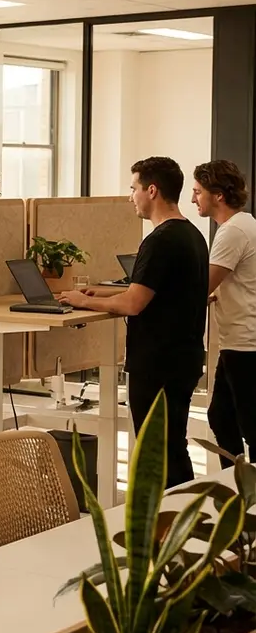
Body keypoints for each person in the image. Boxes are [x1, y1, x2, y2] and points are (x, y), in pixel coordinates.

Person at [57, 157, 209, 487]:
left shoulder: (159, 241)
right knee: (172, 446)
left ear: (151, 190)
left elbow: (134, 303)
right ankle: (184, 520)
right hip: (183, 358)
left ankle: (163, 523)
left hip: (158, 363)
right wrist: (98, 290)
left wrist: (84, 300)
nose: (131, 197)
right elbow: (155, 290)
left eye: (133, 188)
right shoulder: (191, 235)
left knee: (156, 451)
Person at [193, 160, 256, 466]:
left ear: (217, 195)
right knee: (220, 416)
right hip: (240, 339)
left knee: (248, 426)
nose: (194, 199)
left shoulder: (231, 232)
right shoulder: (246, 224)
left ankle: (247, 495)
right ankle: (236, 485)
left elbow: (200, 286)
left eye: (198, 191)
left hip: (245, 343)